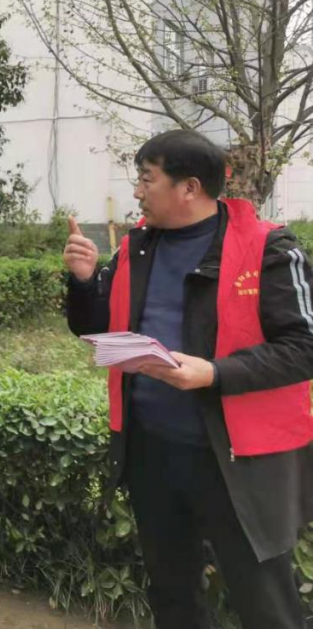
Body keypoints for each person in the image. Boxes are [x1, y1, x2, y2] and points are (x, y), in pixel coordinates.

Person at [64, 129, 313, 628]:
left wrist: (215, 373)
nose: (137, 191)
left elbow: (304, 346)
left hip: (238, 460)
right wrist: (85, 280)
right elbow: (97, 326)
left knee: (265, 602)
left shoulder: (269, 248)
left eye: (146, 179)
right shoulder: (136, 247)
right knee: (172, 594)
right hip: (153, 453)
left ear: (189, 188)